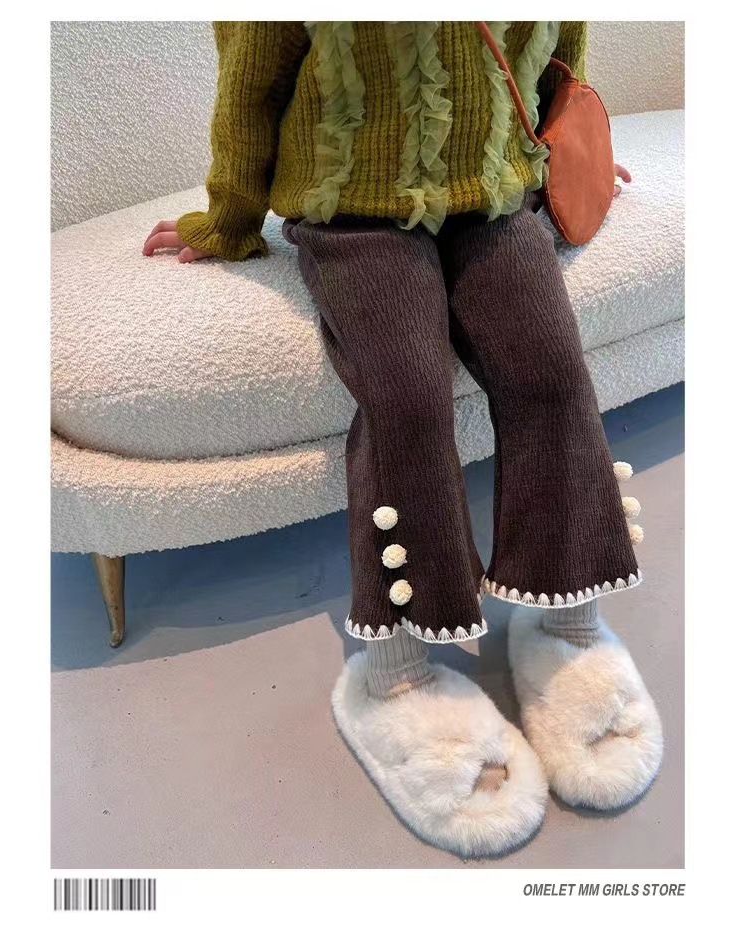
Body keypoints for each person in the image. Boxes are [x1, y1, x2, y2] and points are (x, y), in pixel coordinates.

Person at [143, 21, 663, 858]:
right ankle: (394, 676)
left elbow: (556, 45)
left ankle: (569, 627)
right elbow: (251, 83)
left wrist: (568, 152)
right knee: (408, 398)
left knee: (551, 372)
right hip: (351, 212)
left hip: (495, 193)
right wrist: (228, 219)